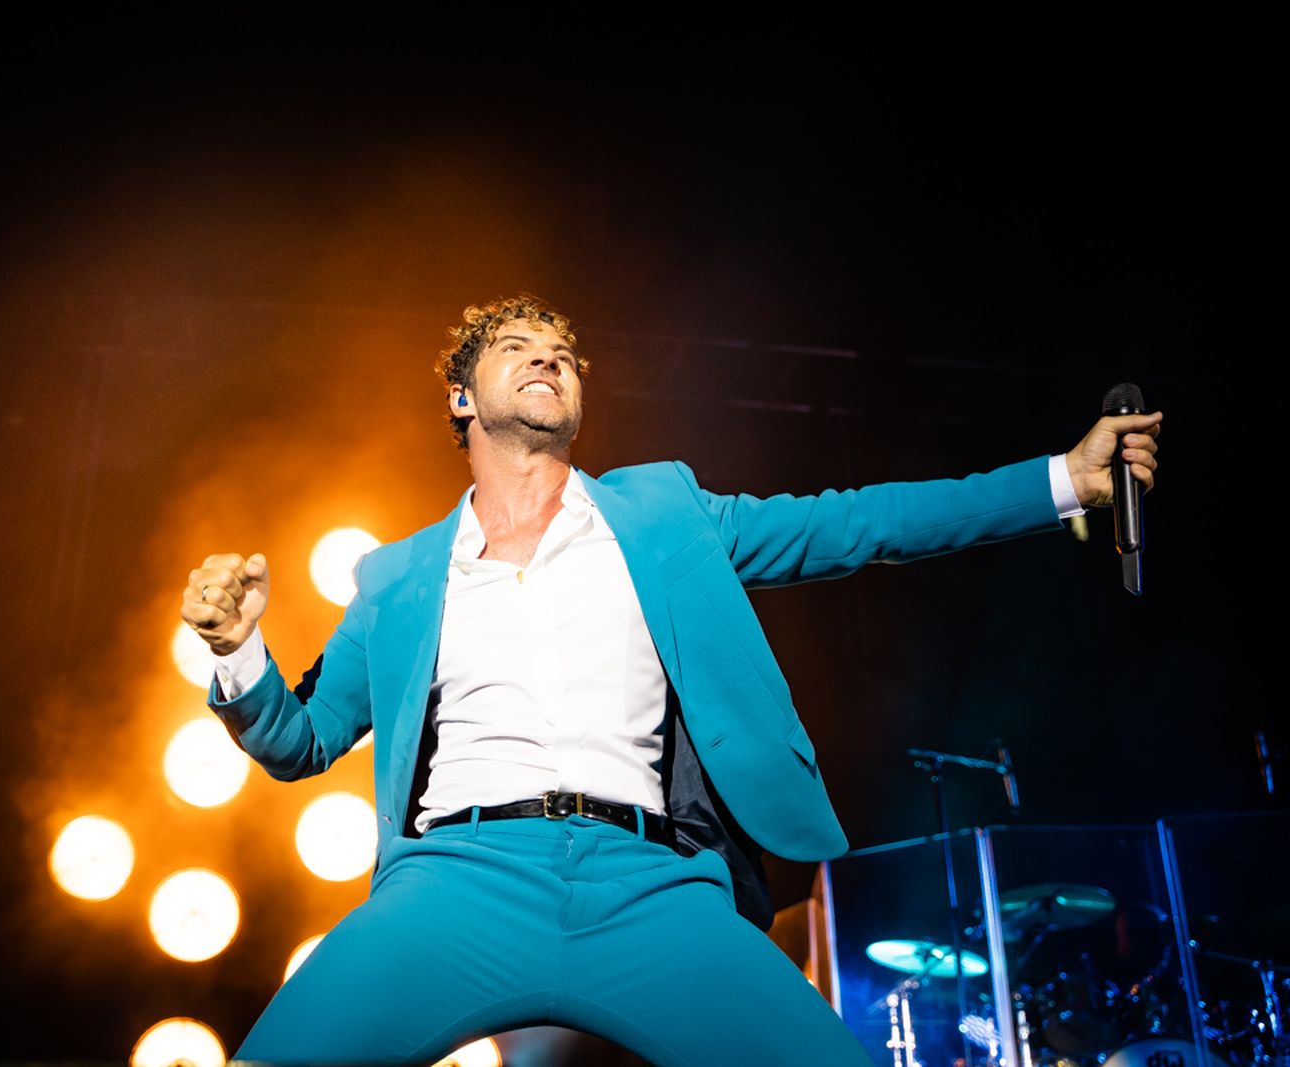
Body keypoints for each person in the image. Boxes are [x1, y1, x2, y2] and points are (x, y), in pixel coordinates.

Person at [179, 295, 1161, 1066]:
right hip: (454, 884)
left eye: (563, 352)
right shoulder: (393, 577)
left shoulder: (665, 510)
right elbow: (300, 741)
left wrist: (1063, 480)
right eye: (517, 345)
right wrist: (234, 650)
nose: (548, 357)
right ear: (461, 398)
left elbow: (857, 522)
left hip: (653, 885)